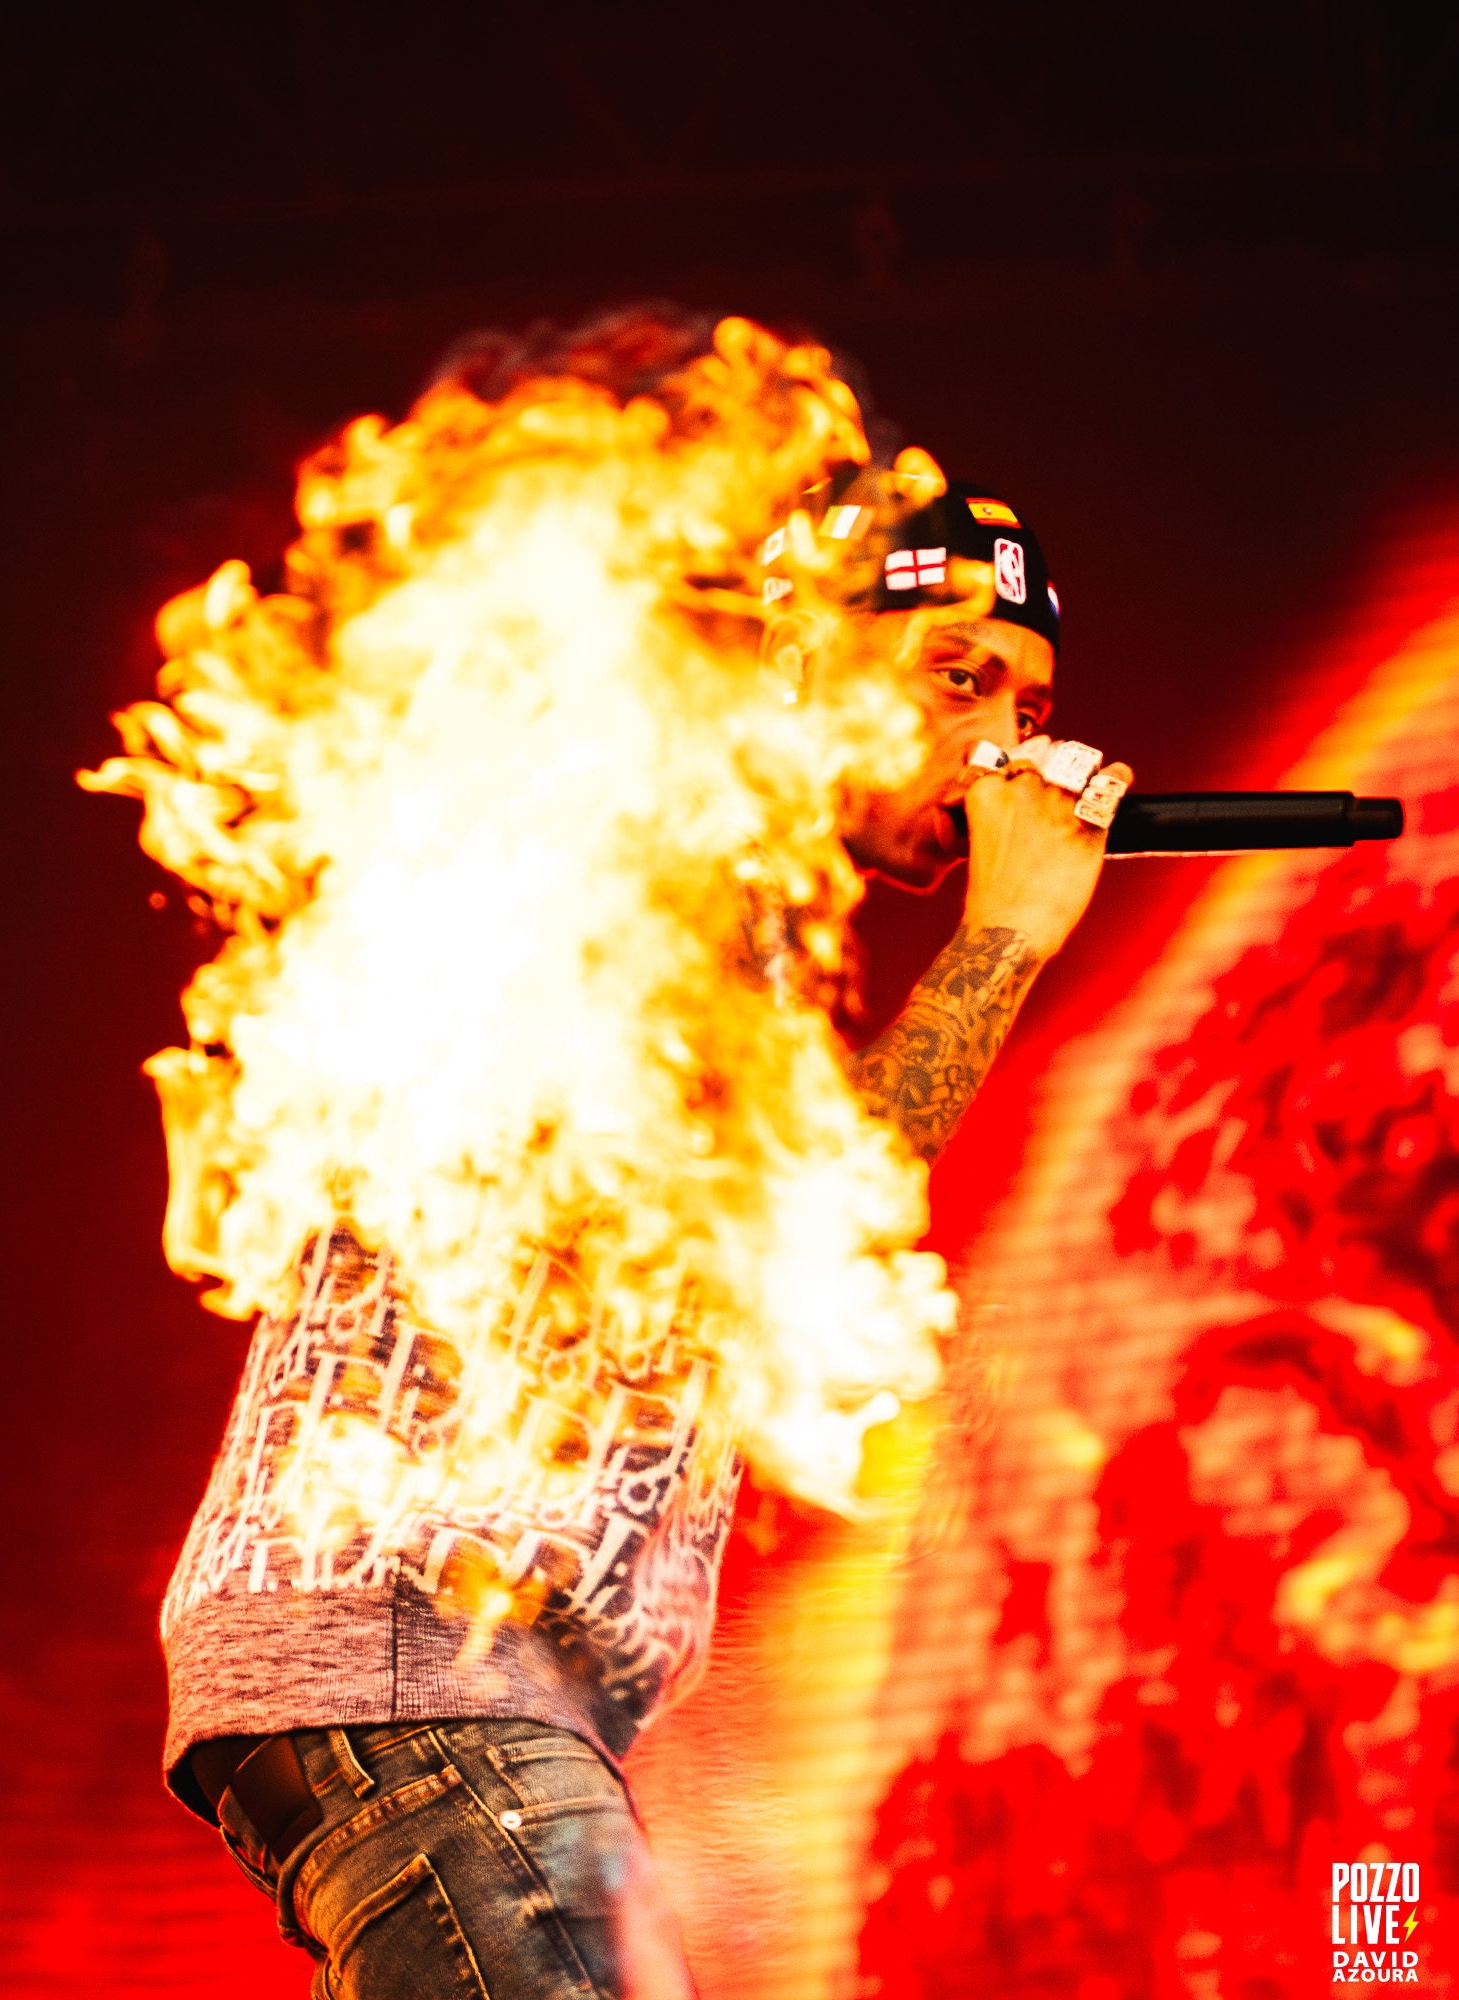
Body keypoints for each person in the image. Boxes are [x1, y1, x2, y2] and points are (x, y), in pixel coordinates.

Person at [153, 354, 1130, 2000]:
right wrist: (1008, 939)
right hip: (428, 1668)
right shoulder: (649, 844)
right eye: (954, 677)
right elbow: (793, 1229)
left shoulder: (724, 900)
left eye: (1025, 711)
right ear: (805, 661)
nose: (996, 749)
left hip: (455, 1696)